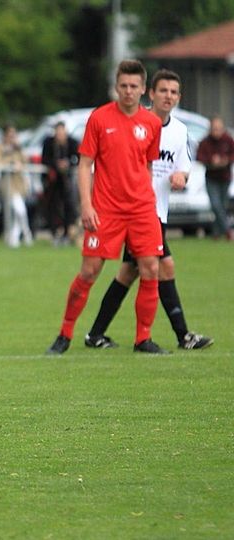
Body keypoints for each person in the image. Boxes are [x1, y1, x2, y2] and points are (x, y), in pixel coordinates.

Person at [84, 70, 213, 351]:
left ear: (179, 97)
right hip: (138, 212)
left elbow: (184, 164)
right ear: (150, 94)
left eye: (174, 92)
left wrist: (183, 176)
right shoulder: (134, 123)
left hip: (157, 212)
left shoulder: (179, 131)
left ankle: (95, 334)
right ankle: (182, 336)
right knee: (162, 266)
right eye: (163, 91)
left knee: (130, 272)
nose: (168, 96)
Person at [46, 59, 165, 355]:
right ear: (116, 87)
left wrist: (146, 199)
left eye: (133, 86)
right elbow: (85, 164)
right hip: (106, 209)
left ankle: (143, 339)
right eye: (123, 86)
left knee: (151, 268)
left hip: (140, 209)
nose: (128, 91)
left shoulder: (151, 123)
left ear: (143, 90)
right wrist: (86, 205)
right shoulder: (99, 119)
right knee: (89, 271)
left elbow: (147, 165)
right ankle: (64, 334)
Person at [196, 116, 234, 240]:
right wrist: (211, 161)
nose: (216, 131)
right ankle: (228, 231)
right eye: (214, 129)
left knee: (222, 205)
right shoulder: (205, 142)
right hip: (211, 178)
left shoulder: (228, 140)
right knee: (215, 205)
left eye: (219, 129)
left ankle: (216, 233)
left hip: (225, 177)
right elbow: (200, 157)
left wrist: (225, 160)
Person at [41, 121, 80, 245]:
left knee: (69, 205)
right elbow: (45, 159)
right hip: (53, 180)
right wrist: (56, 165)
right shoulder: (48, 143)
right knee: (53, 205)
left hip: (68, 180)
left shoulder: (72, 142)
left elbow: (79, 158)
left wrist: (68, 164)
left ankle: (67, 232)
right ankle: (55, 232)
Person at [0, 125, 33, 248]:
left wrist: (19, 151)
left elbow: (25, 161)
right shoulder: (0, 148)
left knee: (19, 212)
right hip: (8, 184)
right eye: (10, 135)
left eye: (14, 135)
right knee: (19, 210)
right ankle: (26, 233)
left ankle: (16, 237)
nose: (12, 138)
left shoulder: (18, 148)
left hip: (19, 183)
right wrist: (11, 164)